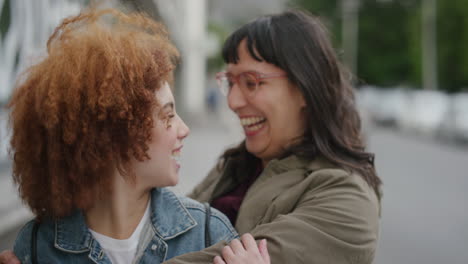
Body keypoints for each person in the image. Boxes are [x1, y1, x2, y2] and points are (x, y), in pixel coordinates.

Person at [1, 8, 380, 264]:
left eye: (251, 82)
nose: (231, 101)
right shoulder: (235, 169)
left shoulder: (345, 197)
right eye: (229, 82)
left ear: (304, 89)